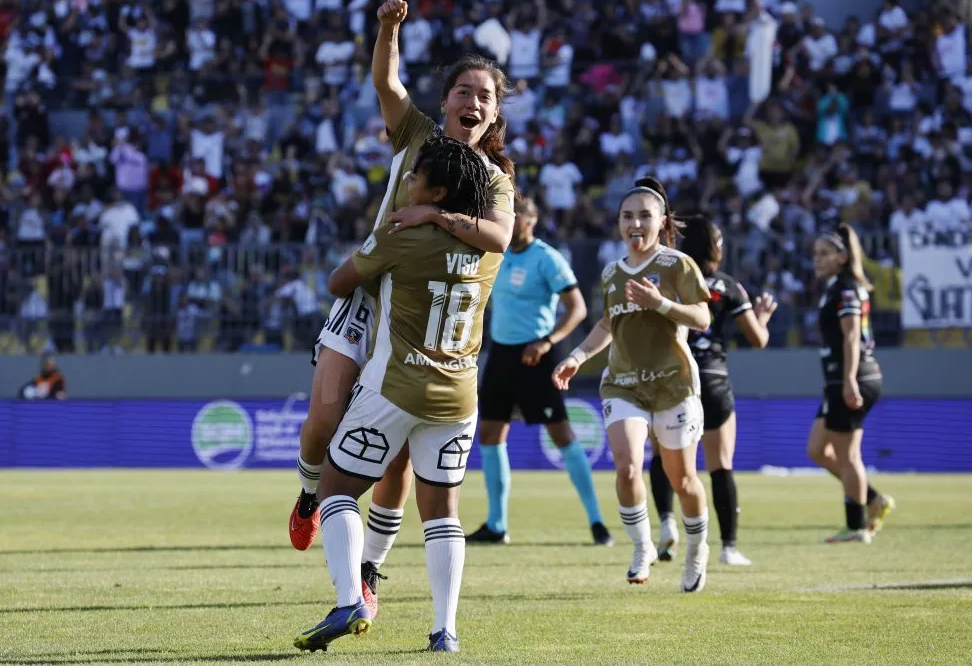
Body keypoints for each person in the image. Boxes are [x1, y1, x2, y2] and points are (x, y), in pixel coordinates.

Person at [289, 0, 517, 618]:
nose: (473, 102)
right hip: (370, 292)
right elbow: (386, 80)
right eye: (463, 91)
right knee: (324, 413)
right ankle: (310, 494)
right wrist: (388, 29)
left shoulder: (496, 176)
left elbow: (500, 237)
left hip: (419, 309)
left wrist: (431, 214)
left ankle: (368, 574)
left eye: (485, 96)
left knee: (394, 459)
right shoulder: (415, 134)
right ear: (444, 101)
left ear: (496, 112)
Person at [293, 135, 502, 654]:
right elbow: (498, 232)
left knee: (336, 490)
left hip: (394, 390)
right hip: (458, 399)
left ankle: (349, 600)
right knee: (443, 513)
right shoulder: (490, 252)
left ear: (437, 191)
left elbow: (341, 282)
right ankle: (443, 631)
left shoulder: (399, 235)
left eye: (416, 177)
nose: (406, 181)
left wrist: (384, 244)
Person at [552, 177, 713, 593]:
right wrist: (576, 356)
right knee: (626, 467)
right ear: (619, 223)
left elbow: (702, 318)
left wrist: (660, 303)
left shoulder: (678, 265)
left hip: (674, 386)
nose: (635, 223)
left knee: (684, 481)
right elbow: (608, 323)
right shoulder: (611, 273)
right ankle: (642, 547)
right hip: (622, 383)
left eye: (645, 215)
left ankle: (697, 549)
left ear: (661, 222)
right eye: (627, 216)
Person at [467, 197, 613, 546]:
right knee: (489, 434)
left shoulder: (547, 258)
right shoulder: (495, 254)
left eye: (512, 217)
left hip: (537, 355)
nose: (505, 222)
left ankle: (597, 521)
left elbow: (577, 309)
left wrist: (547, 342)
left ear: (530, 220)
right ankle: (497, 524)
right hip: (501, 354)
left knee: (561, 434)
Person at [647, 215, 776, 567]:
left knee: (662, 457)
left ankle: (666, 524)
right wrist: (762, 317)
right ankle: (729, 548)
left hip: (674, 377)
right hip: (714, 378)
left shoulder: (670, 279)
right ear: (717, 248)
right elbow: (758, 339)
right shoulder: (728, 286)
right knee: (721, 467)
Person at [807, 224, 895, 543]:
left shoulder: (845, 288)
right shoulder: (836, 286)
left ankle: (856, 526)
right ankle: (872, 499)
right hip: (841, 378)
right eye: (815, 253)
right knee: (817, 449)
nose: (817, 259)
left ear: (842, 257)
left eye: (825, 254)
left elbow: (851, 336)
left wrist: (848, 381)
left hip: (851, 376)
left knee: (848, 456)